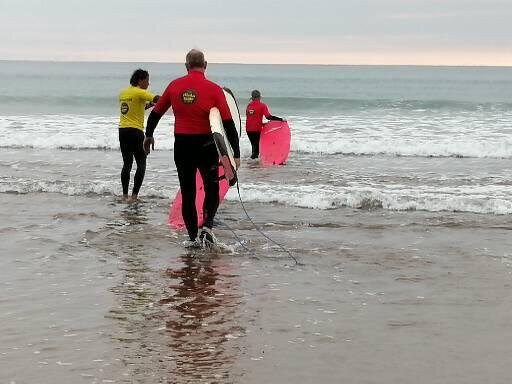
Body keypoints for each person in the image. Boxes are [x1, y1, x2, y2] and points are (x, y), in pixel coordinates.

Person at [144, 49, 240, 247]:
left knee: (188, 192)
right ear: (205, 65)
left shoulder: (174, 86)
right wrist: (235, 155)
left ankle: (192, 238)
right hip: (206, 145)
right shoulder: (214, 89)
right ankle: (207, 227)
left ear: (186, 66)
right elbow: (229, 124)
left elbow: (155, 114)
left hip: (182, 145)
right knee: (211, 188)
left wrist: (148, 135)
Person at [118, 69, 160, 203]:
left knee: (127, 164)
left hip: (123, 131)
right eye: (147, 80)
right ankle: (134, 196)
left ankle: (125, 196)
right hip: (136, 132)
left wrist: (150, 105)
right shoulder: (140, 92)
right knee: (141, 163)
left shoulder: (123, 93)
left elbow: (137, 107)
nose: (148, 83)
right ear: (140, 80)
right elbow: (157, 98)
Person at [245, 90, 285, 159]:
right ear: (260, 97)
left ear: (252, 97)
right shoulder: (262, 105)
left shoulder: (249, 105)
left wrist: (263, 124)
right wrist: (280, 119)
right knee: (256, 149)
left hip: (248, 129)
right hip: (256, 130)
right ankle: (251, 163)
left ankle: (252, 164)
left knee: (254, 146)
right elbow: (268, 117)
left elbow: (251, 118)